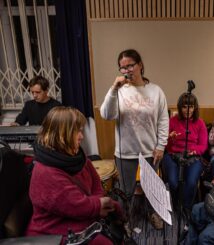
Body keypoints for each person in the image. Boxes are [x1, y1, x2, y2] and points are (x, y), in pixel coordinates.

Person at [26, 107, 123, 244]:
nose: (81, 136)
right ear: (61, 134)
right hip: (54, 232)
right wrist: (99, 205)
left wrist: (99, 202)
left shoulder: (76, 155)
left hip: (80, 216)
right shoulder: (46, 173)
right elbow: (77, 205)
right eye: (77, 131)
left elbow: (96, 185)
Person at [100, 49, 169, 228]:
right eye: (122, 68)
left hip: (150, 150)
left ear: (140, 65)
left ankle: (154, 214)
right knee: (126, 190)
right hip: (126, 152)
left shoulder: (155, 91)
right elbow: (106, 115)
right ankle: (125, 220)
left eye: (130, 65)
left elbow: (163, 120)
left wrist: (161, 146)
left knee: (151, 188)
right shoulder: (119, 91)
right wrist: (114, 88)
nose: (127, 70)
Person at [162, 93, 208, 212]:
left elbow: (203, 146)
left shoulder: (200, 123)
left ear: (195, 107)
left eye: (191, 106)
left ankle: (186, 207)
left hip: (193, 156)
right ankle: (175, 204)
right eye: (184, 106)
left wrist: (194, 151)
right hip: (173, 155)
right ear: (179, 107)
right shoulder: (172, 121)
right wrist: (170, 138)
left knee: (191, 182)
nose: (188, 110)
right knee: (173, 182)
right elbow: (165, 146)